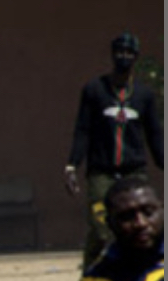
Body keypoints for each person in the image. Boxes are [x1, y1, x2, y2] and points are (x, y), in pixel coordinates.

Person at [65, 32, 164, 269]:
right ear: (112, 55)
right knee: (102, 229)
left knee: (137, 229)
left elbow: (155, 134)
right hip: (102, 173)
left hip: (134, 173)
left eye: (129, 53)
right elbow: (83, 129)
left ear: (136, 57)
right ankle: (91, 274)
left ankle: (136, 275)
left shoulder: (144, 95)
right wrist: (72, 165)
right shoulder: (94, 90)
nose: (124, 57)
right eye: (119, 52)